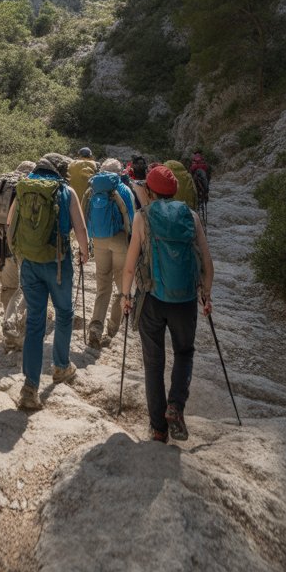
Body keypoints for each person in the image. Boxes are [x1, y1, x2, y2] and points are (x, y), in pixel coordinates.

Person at [121, 164, 213, 444]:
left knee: (153, 363)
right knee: (184, 353)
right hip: (184, 300)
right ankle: (176, 405)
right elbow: (207, 265)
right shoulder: (192, 216)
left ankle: (158, 428)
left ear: (149, 190)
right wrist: (206, 295)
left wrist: (125, 297)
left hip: (151, 298)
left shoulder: (142, 217)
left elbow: (129, 265)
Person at [7, 152, 89, 411]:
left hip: (29, 263)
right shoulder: (66, 192)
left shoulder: (23, 187)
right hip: (58, 263)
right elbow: (80, 229)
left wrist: (20, 254)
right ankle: (61, 366)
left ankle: (30, 388)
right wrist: (85, 253)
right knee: (64, 313)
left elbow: (10, 223)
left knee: (34, 321)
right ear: (60, 172)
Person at [0, 160, 36, 350]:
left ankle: (10, 335)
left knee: (8, 286)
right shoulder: (27, 186)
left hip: (1, 241)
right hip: (22, 243)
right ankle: (12, 324)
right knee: (27, 285)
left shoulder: (3, 183)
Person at [86, 158, 134, 350]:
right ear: (120, 172)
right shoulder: (123, 190)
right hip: (120, 240)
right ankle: (112, 330)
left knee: (102, 285)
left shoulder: (93, 189)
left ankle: (95, 327)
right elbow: (131, 217)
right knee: (121, 287)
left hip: (98, 240)